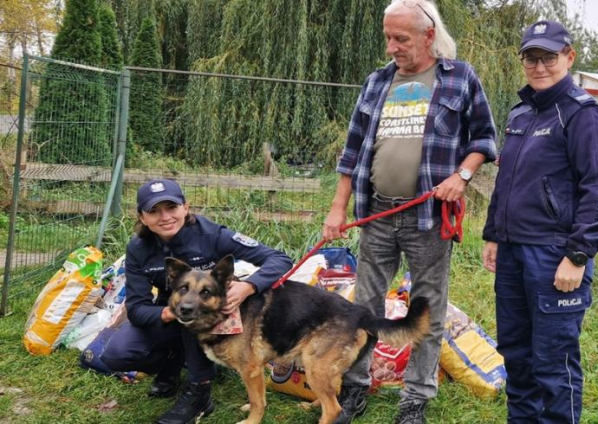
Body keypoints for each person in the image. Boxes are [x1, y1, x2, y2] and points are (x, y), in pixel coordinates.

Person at [322, 1, 497, 423]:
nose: (391, 47)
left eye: (400, 38)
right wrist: (337, 209)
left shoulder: (459, 78)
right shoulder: (377, 82)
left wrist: (463, 176)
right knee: (363, 308)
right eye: (388, 37)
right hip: (377, 213)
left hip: (428, 218)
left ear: (428, 35)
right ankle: (356, 386)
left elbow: (485, 140)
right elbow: (351, 154)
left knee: (427, 309)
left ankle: (416, 398)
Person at [481, 20, 598, 424]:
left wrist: (577, 256)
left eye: (549, 57)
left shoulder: (583, 115)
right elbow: (507, 180)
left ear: (569, 57)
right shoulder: (522, 113)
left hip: (554, 255)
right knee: (517, 355)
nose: (539, 66)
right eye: (531, 58)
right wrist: (493, 235)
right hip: (512, 254)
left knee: (552, 362)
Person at [100, 179, 293, 424]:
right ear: (142, 217)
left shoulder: (212, 235)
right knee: (117, 354)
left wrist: (248, 286)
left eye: (172, 207)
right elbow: (137, 308)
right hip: (171, 310)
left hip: (213, 314)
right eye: (154, 211)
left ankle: (199, 391)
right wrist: (172, 313)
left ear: (186, 208)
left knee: (197, 316)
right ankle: (171, 367)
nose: (165, 217)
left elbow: (279, 259)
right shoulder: (138, 249)